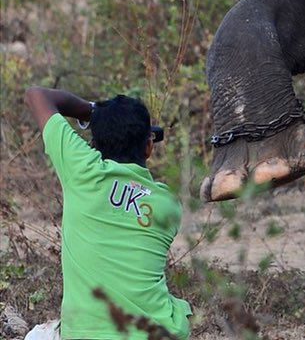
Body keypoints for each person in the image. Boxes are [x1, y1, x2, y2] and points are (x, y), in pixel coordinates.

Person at [24, 86, 191, 340]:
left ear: (93, 145)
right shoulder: (168, 204)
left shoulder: (83, 170)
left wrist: (94, 112)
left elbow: (36, 95)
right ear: (149, 147)